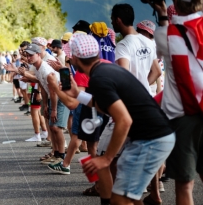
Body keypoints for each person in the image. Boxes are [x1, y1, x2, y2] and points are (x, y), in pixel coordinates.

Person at [48, 34, 175, 205]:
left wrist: (106, 158)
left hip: (151, 138)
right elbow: (103, 104)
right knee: (128, 197)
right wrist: (78, 94)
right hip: (155, 135)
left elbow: (124, 120)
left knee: (119, 199)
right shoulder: (106, 70)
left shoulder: (100, 78)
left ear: (75, 57)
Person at [147, 0, 203, 205]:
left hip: (183, 117)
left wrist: (161, 10)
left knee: (185, 185)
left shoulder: (167, 36)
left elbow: (164, 25)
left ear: (174, 2)